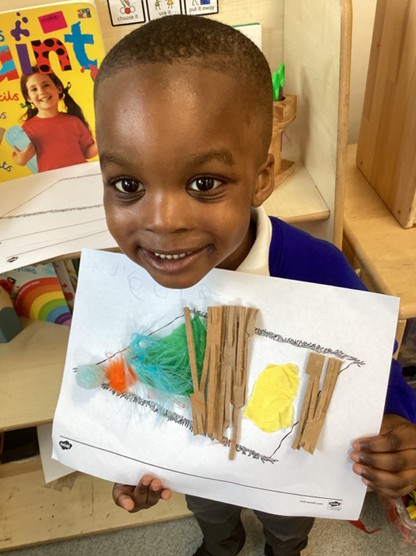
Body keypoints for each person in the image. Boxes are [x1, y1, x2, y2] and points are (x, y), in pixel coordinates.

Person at [93, 14, 416, 556]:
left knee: (287, 530)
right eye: (128, 184)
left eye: (204, 183)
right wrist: (133, 455)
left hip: (290, 475)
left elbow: (374, 370)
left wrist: (402, 428)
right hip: (200, 460)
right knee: (210, 513)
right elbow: (134, 383)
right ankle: (222, 545)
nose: (163, 220)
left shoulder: (322, 270)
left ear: (262, 176)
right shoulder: (128, 287)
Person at [13, 68, 97, 172]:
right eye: (34, 89)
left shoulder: (74, 121)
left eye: (46, 85)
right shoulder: (27, 129)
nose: (41, 91)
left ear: (59, 88)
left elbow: (87, 153)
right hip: (51, 182)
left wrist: (101, 143)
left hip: (81, 176)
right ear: (28, 98)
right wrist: (21, 159)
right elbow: (18, 158)